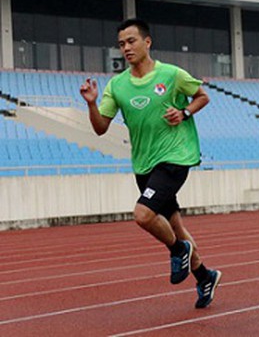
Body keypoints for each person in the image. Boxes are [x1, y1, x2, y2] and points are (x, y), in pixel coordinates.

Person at [80, 19, 221, 309]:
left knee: (143, 215)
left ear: (147, 42)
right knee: (175, 227)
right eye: (121, 44)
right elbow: (100, 128)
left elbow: (202, 96)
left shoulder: (171, 74)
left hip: (175, 156)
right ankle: (205, 276)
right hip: (144, 165)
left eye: (131, 41)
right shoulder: (117, 85)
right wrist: (92, 104)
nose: (126, 48)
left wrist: (184, 112)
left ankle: (177, 250)